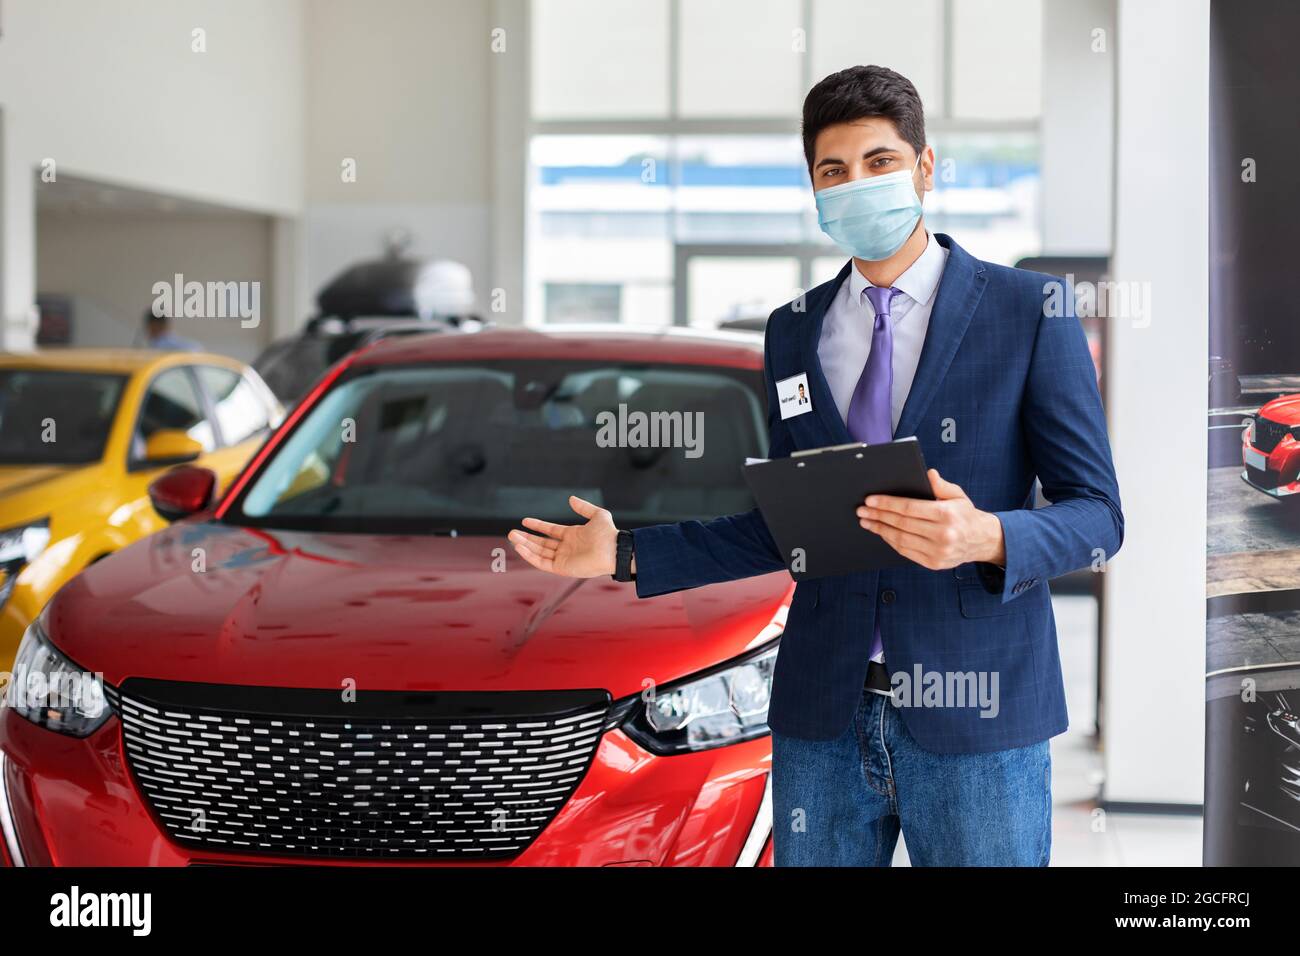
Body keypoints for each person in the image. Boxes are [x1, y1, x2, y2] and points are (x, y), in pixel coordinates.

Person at [509, 65, 1122, 867]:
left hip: (978, 715)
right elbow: (790, 526)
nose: (856, 185)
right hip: (824, 715)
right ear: (814, 189)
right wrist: (625, 553)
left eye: (879, 162)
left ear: (925, 169)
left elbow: (1098, 517)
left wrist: (988, 537)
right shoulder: (794, 331)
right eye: (833, 171)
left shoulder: (1028, 311)